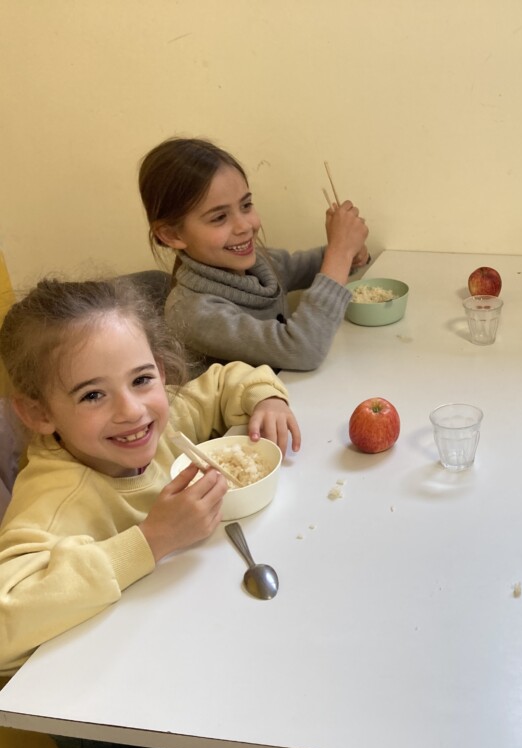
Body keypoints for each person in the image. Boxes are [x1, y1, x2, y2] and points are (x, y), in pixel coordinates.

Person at [0, 277, 301, 679]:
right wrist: (151, 541)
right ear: (40, 414)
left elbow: (225, 381)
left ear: (160, 371)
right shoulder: (53, 498)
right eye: (93, 395)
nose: (132, 410)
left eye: (141, 379)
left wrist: (267, 398)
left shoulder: (166, 422)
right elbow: (6, 620)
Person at [138, 137, 370, 372]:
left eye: (246, 205)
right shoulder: (192, 312)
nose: (244, 226)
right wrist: (340, 253)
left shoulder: (261, 262)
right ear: (171, 234)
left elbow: (308, 266)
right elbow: (301, 349)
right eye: (219, 217)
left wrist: (350, 252)